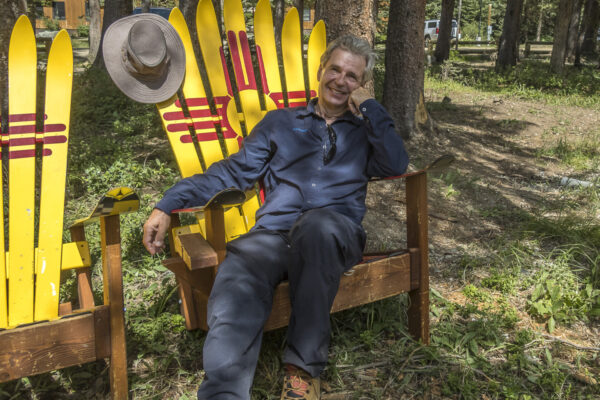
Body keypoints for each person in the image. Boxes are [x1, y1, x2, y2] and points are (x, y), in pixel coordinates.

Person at [142, 35, 409, 400]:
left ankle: (302, 372)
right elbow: (230, 174)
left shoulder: (366, 133)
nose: (340, 80)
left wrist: (371, 107)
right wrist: (168, 204)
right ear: (320, 71)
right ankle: (223, 392)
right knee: (240, 269)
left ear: (360, 85)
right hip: (274, 234)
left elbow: (396, 163)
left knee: (317, 227)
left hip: (333, 233)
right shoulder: (280, 123)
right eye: (335, 69)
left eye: (352, 76)